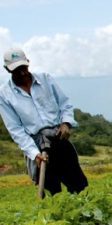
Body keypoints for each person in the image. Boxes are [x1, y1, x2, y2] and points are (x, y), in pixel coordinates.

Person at [0, 47, 88, 195]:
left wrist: (66, 123)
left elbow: (65, 104)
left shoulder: (45, 79)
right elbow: (16, 130)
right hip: (37, 144)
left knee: (78, 186)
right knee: (52, 191)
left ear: (28, 63)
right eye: (16, 70)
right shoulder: (4, 95)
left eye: (24, 67)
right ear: (7, 70)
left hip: (59, 137)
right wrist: (34, 154)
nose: (22, 73)